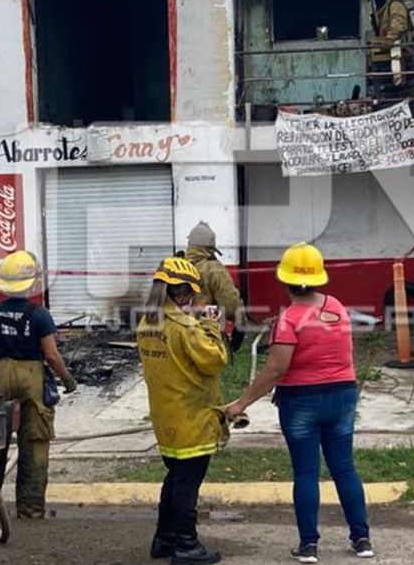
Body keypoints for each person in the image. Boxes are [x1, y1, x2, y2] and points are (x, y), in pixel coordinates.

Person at [225, 242, 374, 562]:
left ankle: (309, 545)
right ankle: (362, 540)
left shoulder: (289, 319)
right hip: (343, 396)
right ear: (319, 277)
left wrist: (241, 404)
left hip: (302, 402)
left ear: (285, 280)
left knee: (306, 473)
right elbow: (327, 341)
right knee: (344, 469)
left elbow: (276, 369)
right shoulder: (336, 306)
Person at [0, 250, 77, 519]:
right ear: (31, 283)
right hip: (32, 377)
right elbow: (51, 356)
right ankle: (30, 508)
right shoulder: (39, 316)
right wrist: (68, 380)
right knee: (35, 442)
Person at [137, 256, 229, 564]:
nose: (192, 299)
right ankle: (186, 545)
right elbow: (215, 360)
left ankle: (164, 539)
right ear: (178, 292)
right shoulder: (186, 327)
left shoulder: (147, 322)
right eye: (188, 293)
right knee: (187, 485)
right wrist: (211, 325)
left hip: (166, 417)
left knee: (175, 479)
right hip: (193, 418)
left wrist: (192, 318)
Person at [184, 221, 247, 352]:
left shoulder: (177, 266)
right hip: (206, 338)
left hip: (177, 335)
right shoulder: (214, 269)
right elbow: (231, 307)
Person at [367, 0, 413, 94]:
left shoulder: (395, 5)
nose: (378, 0)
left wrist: (387, 41)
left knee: (398, 77)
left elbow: (397, 26)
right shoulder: (379, 12)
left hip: (400, 48)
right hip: (387, 50)